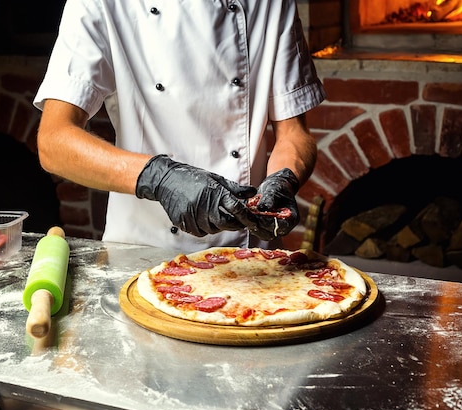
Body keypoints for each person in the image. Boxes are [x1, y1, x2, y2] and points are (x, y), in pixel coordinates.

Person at [33, 0, 326, 251]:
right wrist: (160, 178)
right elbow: (54, 141)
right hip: (145, 252)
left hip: (254, 254)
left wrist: (284, 180)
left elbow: (294, 134)